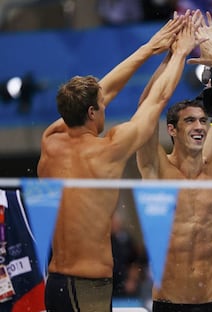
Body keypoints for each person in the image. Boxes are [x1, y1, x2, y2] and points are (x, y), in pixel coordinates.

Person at [36, 14, 192, 311]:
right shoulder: (108, 149)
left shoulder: (50, 140)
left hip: (56, 283)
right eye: (102, 105)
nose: (106, 105)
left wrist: (149, 48)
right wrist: (180, 53)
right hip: (86, 288)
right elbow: (157, 101)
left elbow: (101, 91)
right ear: (93, 113)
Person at [135, 15, 212, 312]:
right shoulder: (156, 169)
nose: (200, 127)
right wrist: (175, 55)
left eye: (203, 120)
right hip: (169, 302)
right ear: (171, 129)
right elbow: (146, 110)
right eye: (190, 121)